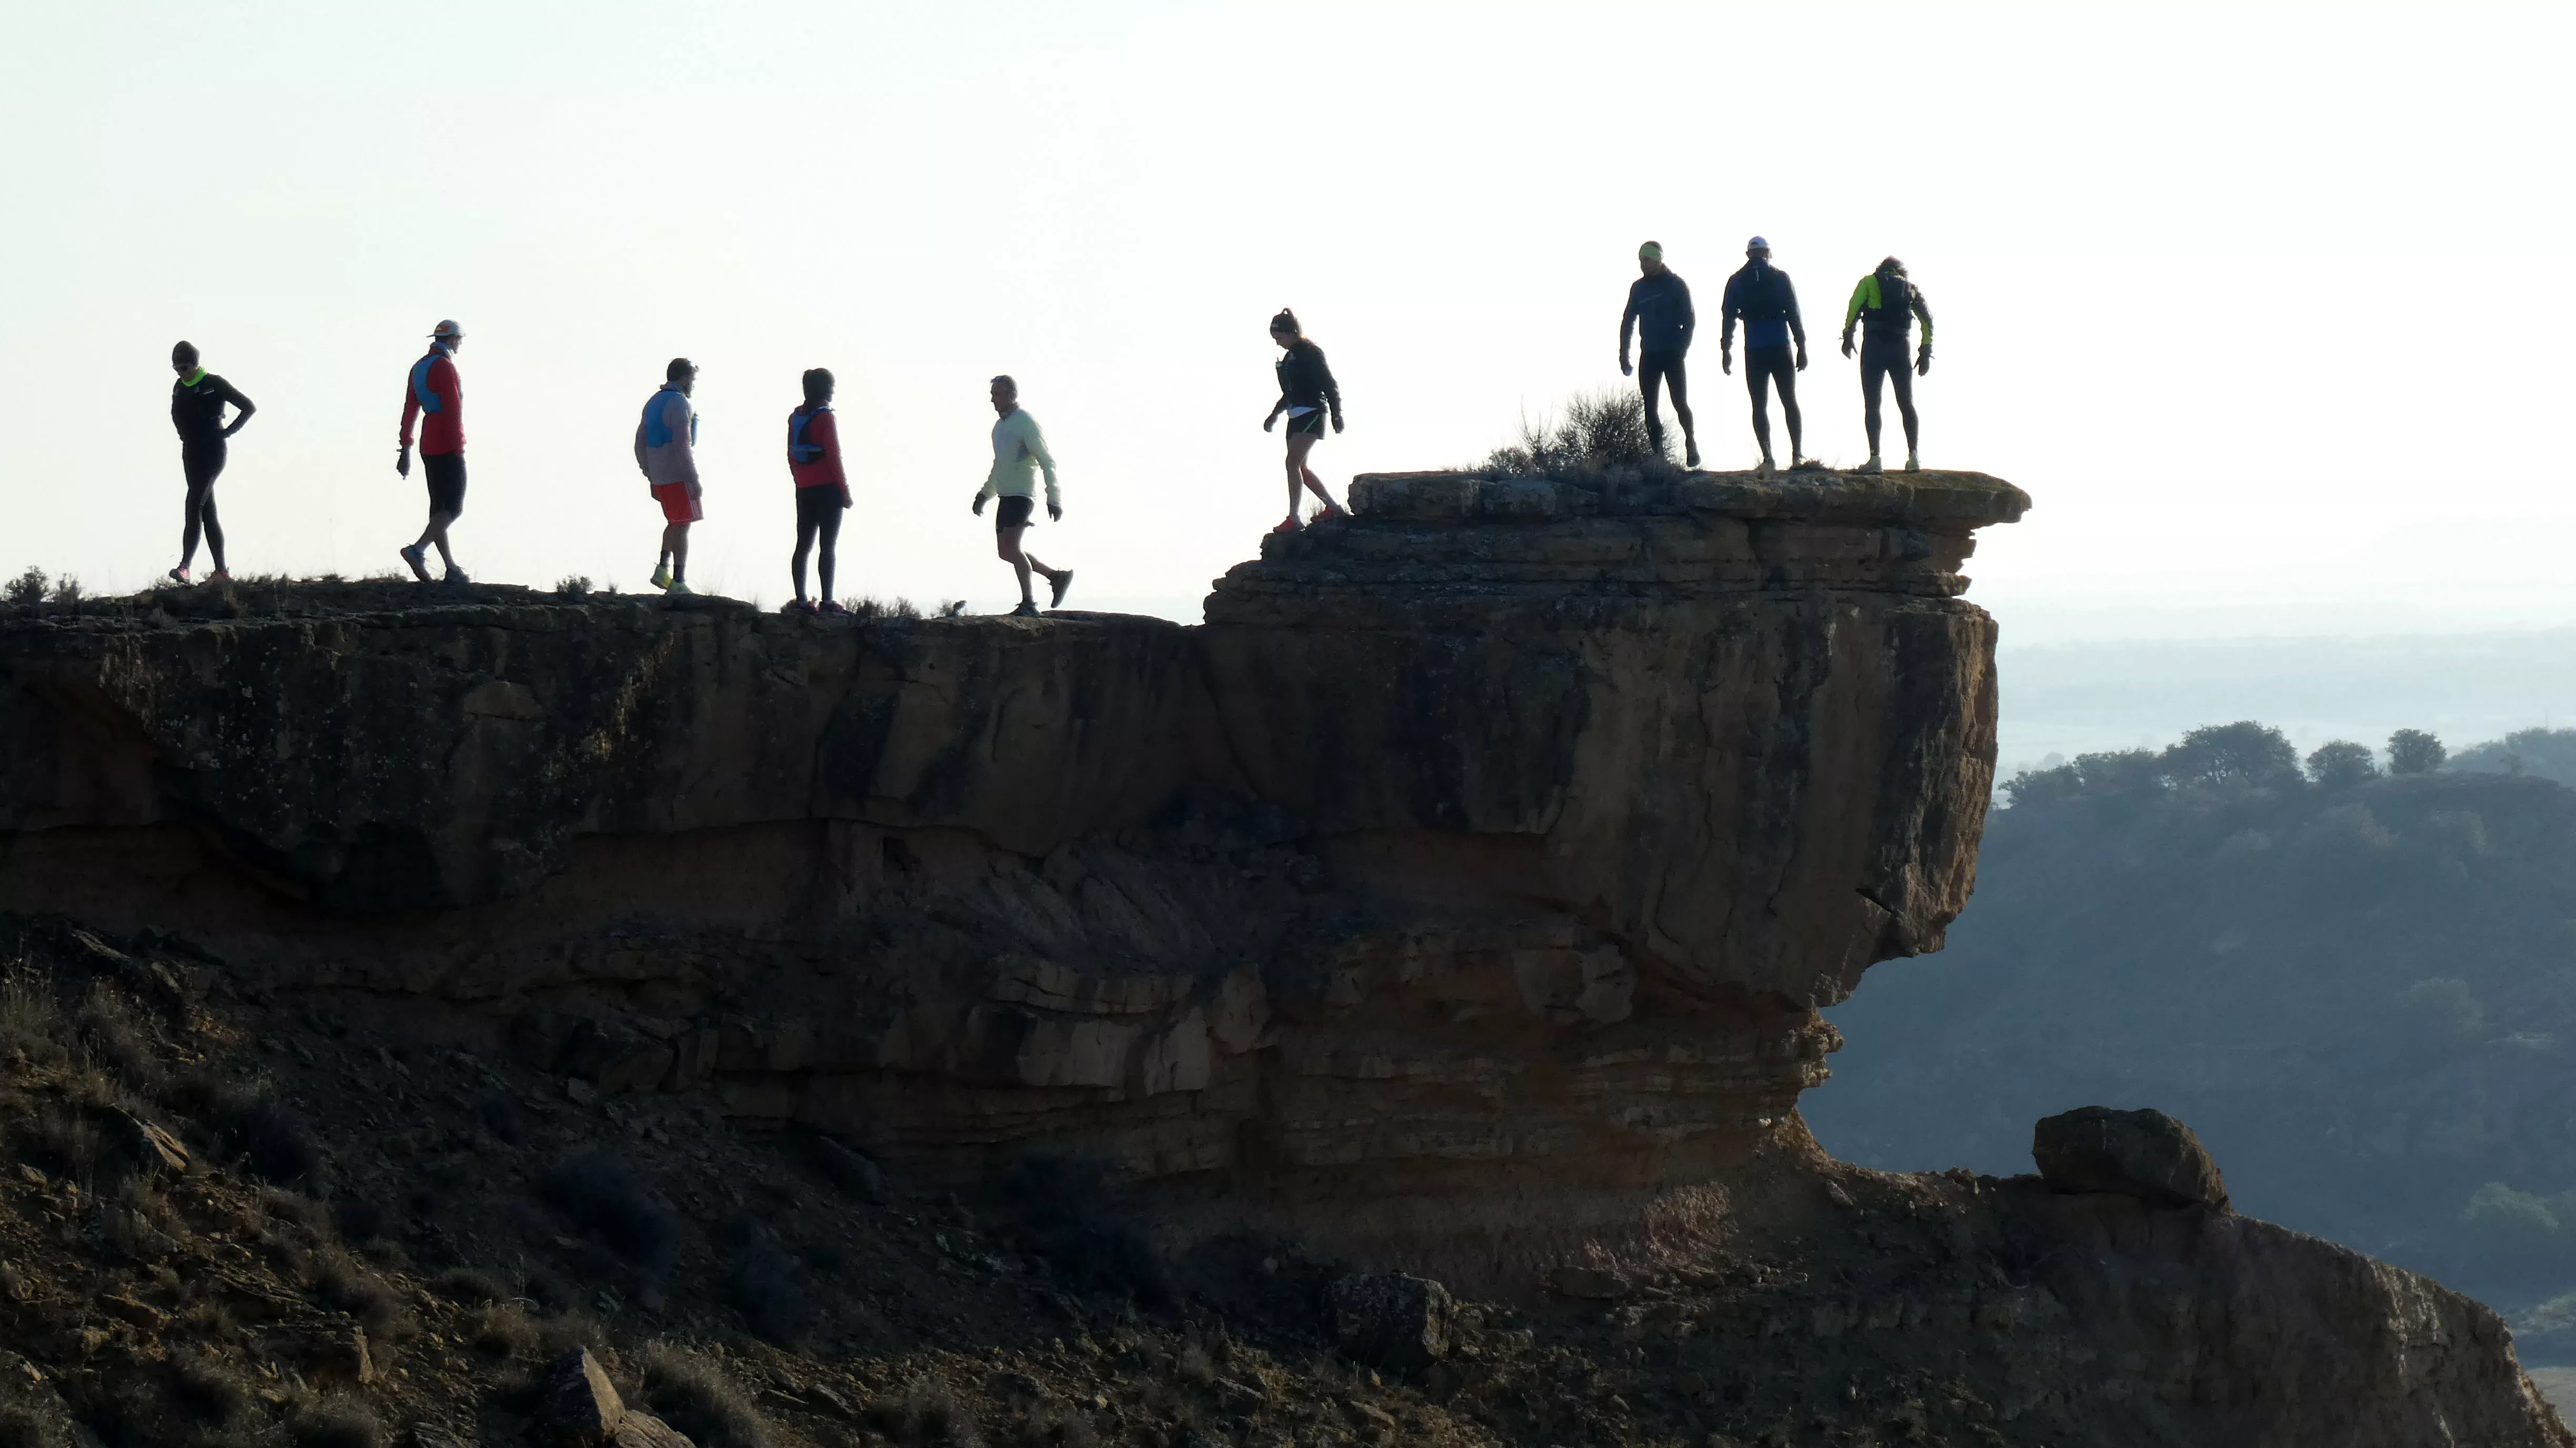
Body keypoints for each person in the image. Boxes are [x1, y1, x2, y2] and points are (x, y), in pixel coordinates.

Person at [970, 375, 1071, 617]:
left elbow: (1047, 460)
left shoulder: (1025, 422)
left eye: (997, 394)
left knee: (1013, 548)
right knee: (1005, 552)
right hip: (1006, 495)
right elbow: (1000, 466)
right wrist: (985, 494)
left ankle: (1029, 603)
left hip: (1022, 495)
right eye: (992, 394)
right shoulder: (999, 428)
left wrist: (1054, 498)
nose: (992, 399)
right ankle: (1055, 577)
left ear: (1010, 395)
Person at [1719, 237, 1812, 476]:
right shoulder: (1781, 278)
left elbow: (1728, 318)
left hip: (1755, 349)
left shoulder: (1737, 280)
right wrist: (1802, 347)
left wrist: (1726, 350)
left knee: (1759, 405)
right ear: (1768, 253)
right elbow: (1794, 313)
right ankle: (1797, 455)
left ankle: (1768, 458)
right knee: (1789, 400)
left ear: (1748, 255)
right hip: (1781, 346)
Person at [166, 341, 255, 585]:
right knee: (207, 510)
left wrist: (226, 433)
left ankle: (185, 566)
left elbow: (248, 407)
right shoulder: (179, 387)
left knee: (193, 502)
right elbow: (175, 414)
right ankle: (222, 572)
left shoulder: (214, 383)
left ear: (194, 365)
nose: (179, 373)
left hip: (213, 451)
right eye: (175, 368)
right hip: (191, 452)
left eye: (183, 367)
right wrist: (183, 434)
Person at [1840, 257, 1935, 474]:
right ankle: (1914, 457)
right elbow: (1928, 320)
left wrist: (1848, 336)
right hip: (1901, 348)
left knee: (1873, 404)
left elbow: (1854, 307)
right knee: (1906, 402)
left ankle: (1875, 459)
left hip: (1875, 347)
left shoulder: (1869, 282)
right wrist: (1926, 352)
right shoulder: (1910, 288)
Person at [1260, 309, 1346, 532]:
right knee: (1302, 468)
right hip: (1295, 414)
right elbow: (1289, 392)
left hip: (1313, 412)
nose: (1278, 343)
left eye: (1280, 338)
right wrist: (1274, 415)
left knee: (1292, 463)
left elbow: (1330, 384)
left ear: (1292, 332)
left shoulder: (1311, 352)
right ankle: (1333, 508)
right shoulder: (1289, 358)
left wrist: (1337, 415)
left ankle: (1294, 517)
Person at [396, 320, 469, 582]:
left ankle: (451, 568)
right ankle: (418, 550)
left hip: (428, 442)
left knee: (438, 509)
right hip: (446, 441)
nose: (460, 344)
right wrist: (458, 445)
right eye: (459, 339)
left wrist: (406, 448)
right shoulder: (444, 367)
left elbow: (409, 409)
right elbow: (453, 409)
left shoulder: (419, 367)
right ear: (452, 340)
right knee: (453, 507)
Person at [1618, 241, 1698, 467]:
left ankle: (1691, 444)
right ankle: (1658, 457)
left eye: (1648, 261)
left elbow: (1690, 320)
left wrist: (1681, 349)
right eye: (1641, 261)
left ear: (1659, 260)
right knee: (1650, 406)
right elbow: (1628, 321)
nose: (1643, 265)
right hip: (1650, 354)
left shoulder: (1676, 285)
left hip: (1672, 354)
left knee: (1680, 402)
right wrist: (1624, 354)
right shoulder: (1638, 288)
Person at [633, 358, 702, 595]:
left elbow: (639, 443)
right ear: (683, 378)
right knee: (683, 526)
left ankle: (663, 569)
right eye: (692, 378)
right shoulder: (680, 403)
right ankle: (678, 582)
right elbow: (683, 444)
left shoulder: (652, 403)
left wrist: (650, 474)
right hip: (678, 476)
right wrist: (693, 479)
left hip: (660, 477)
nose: (693, 383)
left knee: (674, 522)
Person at [786, 367, 851, 614]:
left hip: (804, 489)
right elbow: (834, 456)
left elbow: (791, 454)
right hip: (828, 489)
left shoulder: (795, 417)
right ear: (825, 389)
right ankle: (827, 602)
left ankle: (802, 601)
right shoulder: (826, 418)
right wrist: (844, 490)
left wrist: (799, 480)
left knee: (803, 545)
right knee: (828, 546)